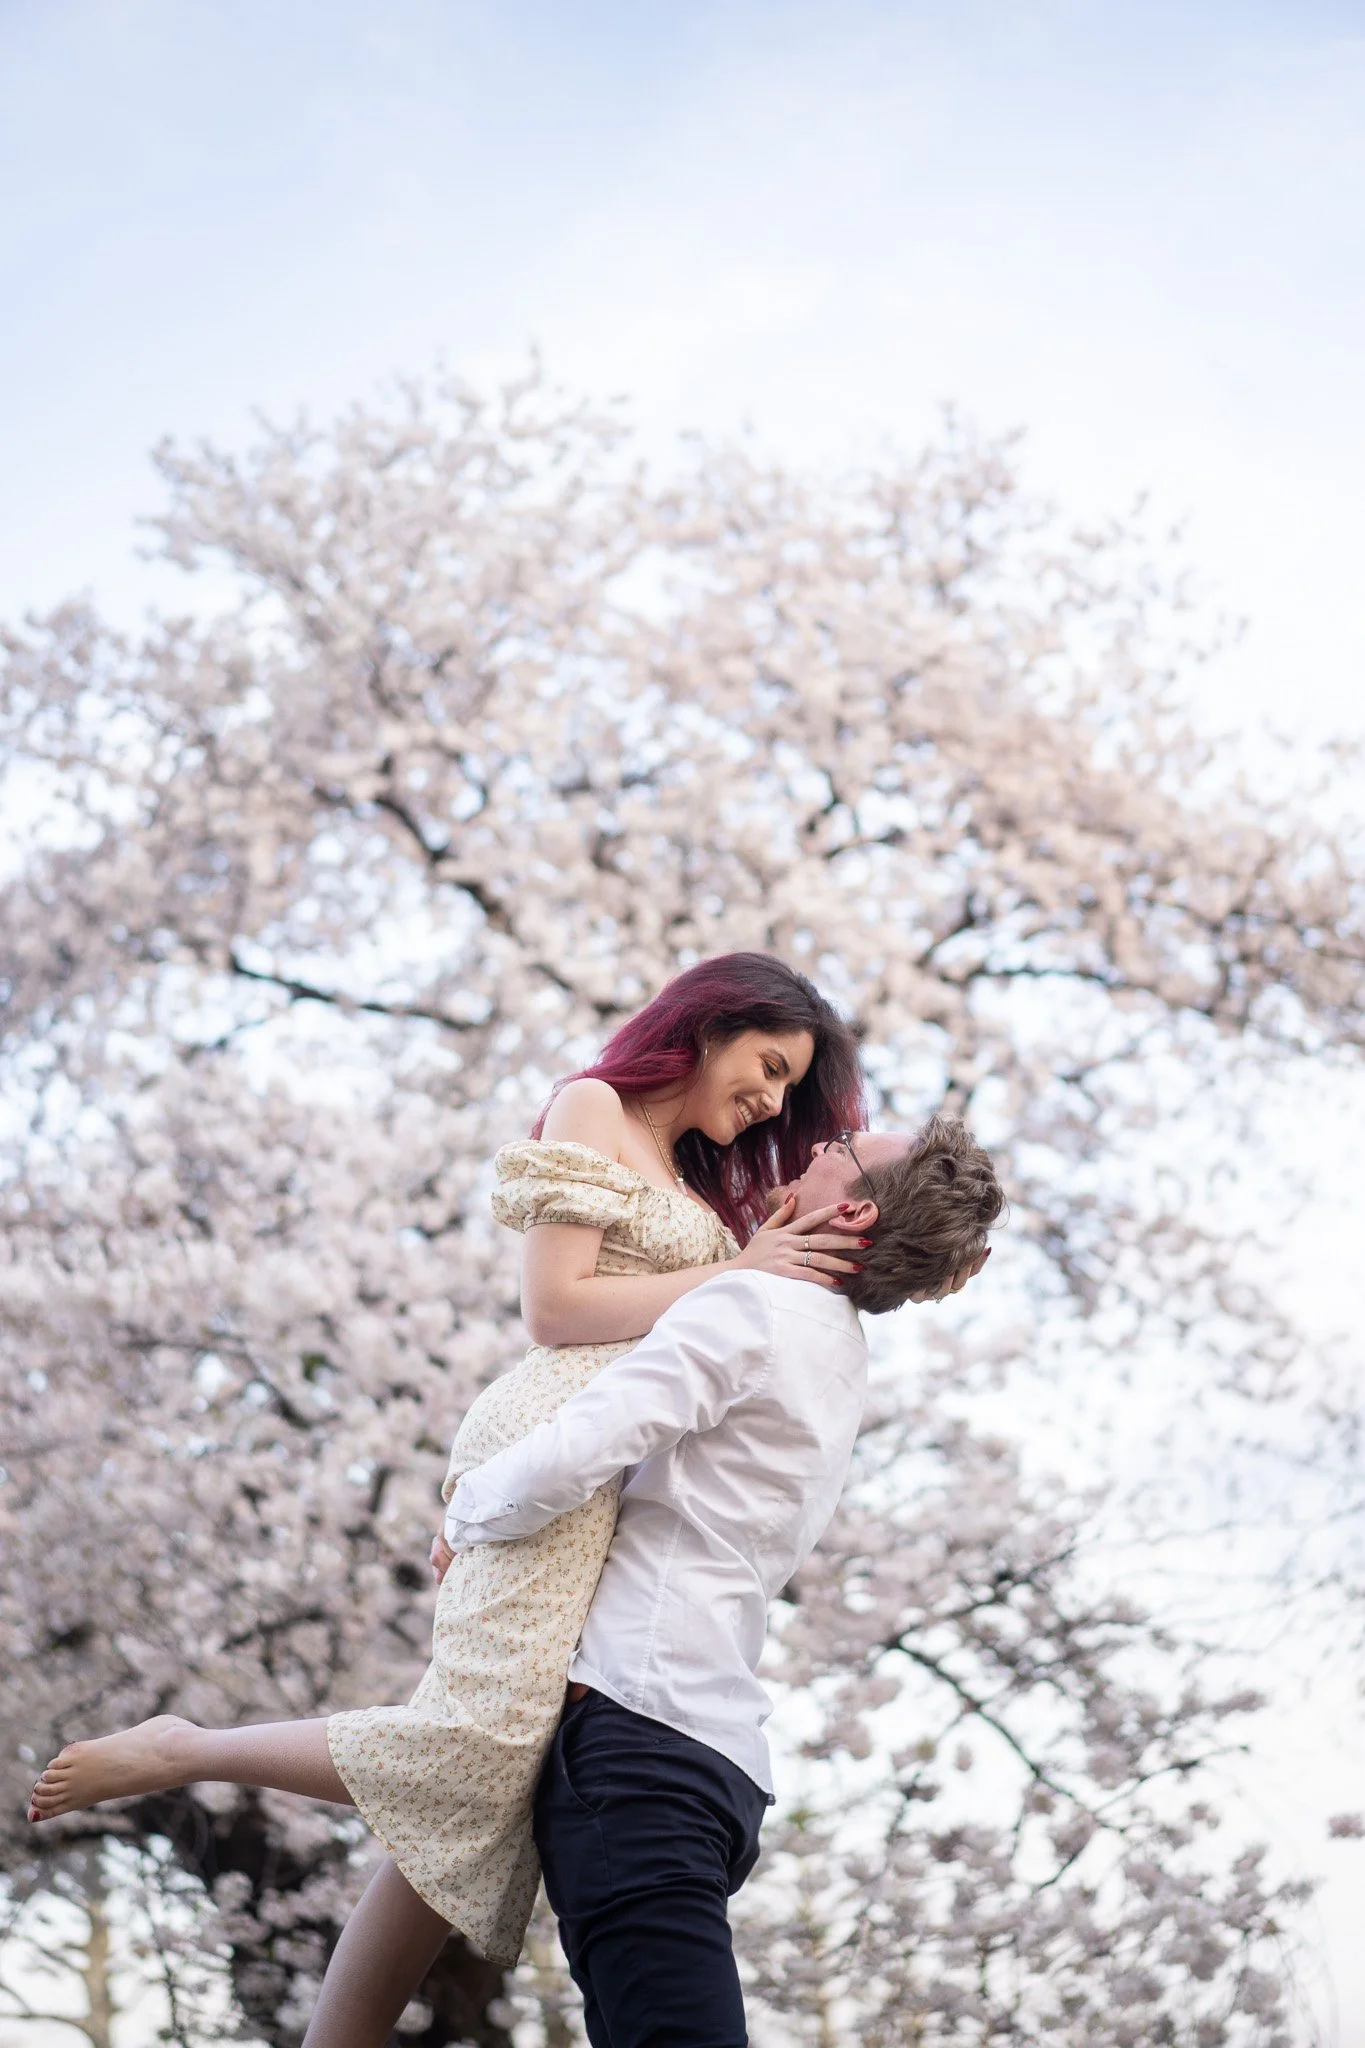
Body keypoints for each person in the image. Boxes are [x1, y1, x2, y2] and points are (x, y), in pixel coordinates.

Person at [28, 954, 891, 2040]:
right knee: (479, 1746)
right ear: (710, 1027)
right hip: (553, 1447)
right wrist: (741, 1272)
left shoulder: (701, 1187)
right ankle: (186, 1748)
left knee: (487, 1797)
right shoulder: (595, 1107)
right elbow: (555, 1305)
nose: (770, 1099)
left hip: (601, 1472)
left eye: (787, 1087)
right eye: (766, 1066)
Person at [442, 1114, 1004, 2048]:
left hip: (639, 1738)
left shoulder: (755, 1307)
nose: (822, 1142)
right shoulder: (837, 1348)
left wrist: (465, 1515)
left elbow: (586, 1443)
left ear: (853, 1210)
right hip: (713, 1755)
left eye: (842, 1149)